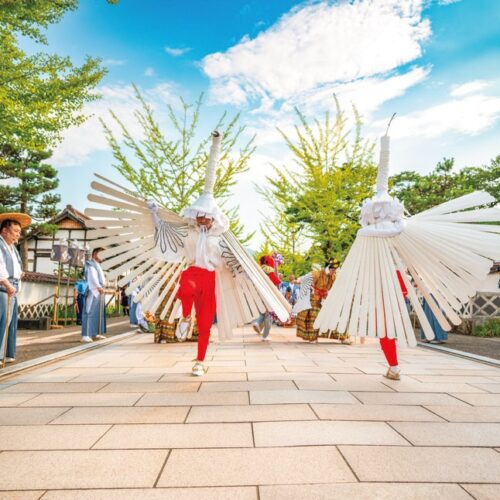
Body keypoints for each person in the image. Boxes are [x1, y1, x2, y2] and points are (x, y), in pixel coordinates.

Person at [314, 126, 500, 380]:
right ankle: (395, 364)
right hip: (398, 284)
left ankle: (394, 365)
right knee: (389, 323)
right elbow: (384, 181)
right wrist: (385, 147)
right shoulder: (403, 231)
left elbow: (381, 183)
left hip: (379, 285)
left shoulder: (368, 236)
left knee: (385, 326)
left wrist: (385, 148)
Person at [0, 213, 32, 364]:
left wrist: (20, 274)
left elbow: (15, 267)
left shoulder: (13, 248)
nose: (18, 234)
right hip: (3, 287)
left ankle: (7, 352)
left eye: (19, 231)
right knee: (2, 321)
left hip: (13, 287)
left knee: (11, 322)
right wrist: (6, 284)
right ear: (4, 231)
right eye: (15, 231)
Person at [295, 258, 350, 343]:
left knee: (333, 317)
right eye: (332, 269)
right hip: (314, 299)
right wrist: (298, 280)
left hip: (325, 299)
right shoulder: (318, 273)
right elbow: (306, 278)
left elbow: (337, 287)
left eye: (335, 269)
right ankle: (313, 338)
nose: (334, 271)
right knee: (314, 317)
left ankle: (342, 337)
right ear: (328, 268)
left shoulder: (334, 276)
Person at [252, 254, 281, 341]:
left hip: (259, 294)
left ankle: (257, 323)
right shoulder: (269, 270)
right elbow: (276, 282)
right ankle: (265, 335)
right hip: (268, 295)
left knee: (263, 313)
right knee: (269, 315)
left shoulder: (259, 269)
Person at [81, 247, 107, 343]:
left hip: (99, 290)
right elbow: (92, 277)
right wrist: (98, 286)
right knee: (89, 311)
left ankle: (95, 333)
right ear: (95, 254)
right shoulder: (91, 265)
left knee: (97, 312)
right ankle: (85, 334)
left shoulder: (97, 265)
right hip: (93, 290)